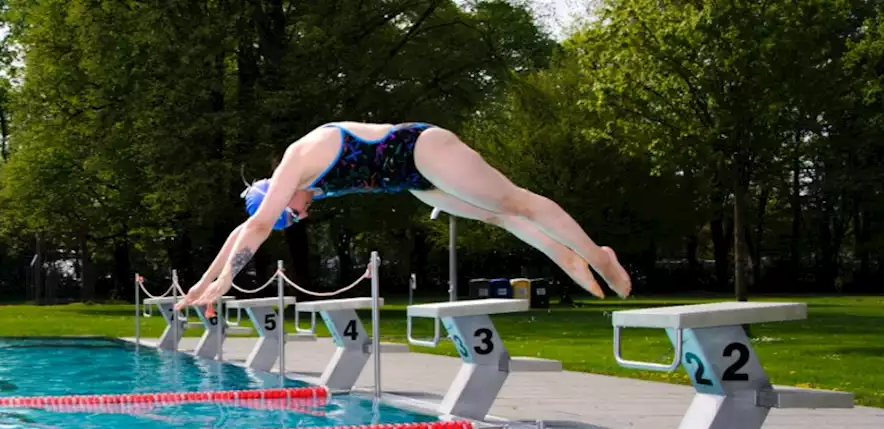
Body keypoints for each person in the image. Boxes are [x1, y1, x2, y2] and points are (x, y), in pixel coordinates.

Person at [177, 121, 633, 312]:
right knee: (496, 217)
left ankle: (598, 254)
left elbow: (256, 226)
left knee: (514, 201)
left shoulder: (298, 159)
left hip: (421, 150)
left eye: (291, 216)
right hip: (413, 180)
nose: (301, 216)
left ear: (275, 197)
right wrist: (202, 284)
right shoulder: (306, 185)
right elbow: (244, 230)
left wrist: (226, 283)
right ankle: (565, 256)